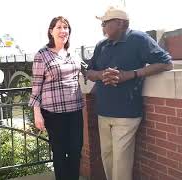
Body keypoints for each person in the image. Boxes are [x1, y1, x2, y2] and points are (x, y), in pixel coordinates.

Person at [86, 6, 173, 180]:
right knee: (108, 159)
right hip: (103, 112)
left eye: (105, 23)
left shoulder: (139, 39)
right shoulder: (101, 45)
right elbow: (89, 72)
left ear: (120, 23)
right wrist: (101, 75)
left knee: (121, 164)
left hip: (126, 114)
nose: (102, 27)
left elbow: (166, 63)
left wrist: (131, 74)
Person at [28, 16, 84, 180]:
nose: (63, 31)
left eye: (65, 27)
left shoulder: (73, 53)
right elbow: (37, 86)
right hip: (53, 113)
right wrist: (37, 113)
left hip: (75, 110)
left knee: (75, 150)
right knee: (60, 153)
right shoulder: (42, 55)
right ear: (51, 31)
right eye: (59, 27)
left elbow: (86, 71)